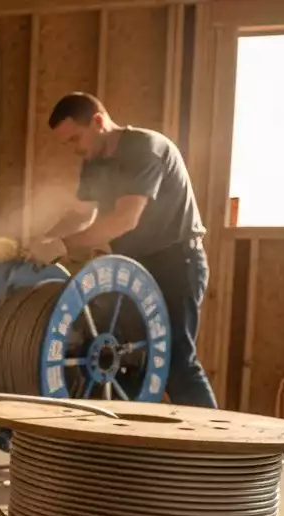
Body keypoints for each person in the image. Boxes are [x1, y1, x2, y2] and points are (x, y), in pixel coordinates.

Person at [23, 91, 217, 409]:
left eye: (76, 138)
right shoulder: (94, 161)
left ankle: (217, 452)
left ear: (98, 122)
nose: (75, 149)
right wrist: (44, 241)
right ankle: (128, 450)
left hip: (176, 262)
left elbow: (125, 219)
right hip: (135, 266)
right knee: (124, 359)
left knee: (178, 362)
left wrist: (62, 246)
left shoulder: (145, 148)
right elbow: (82, 214)